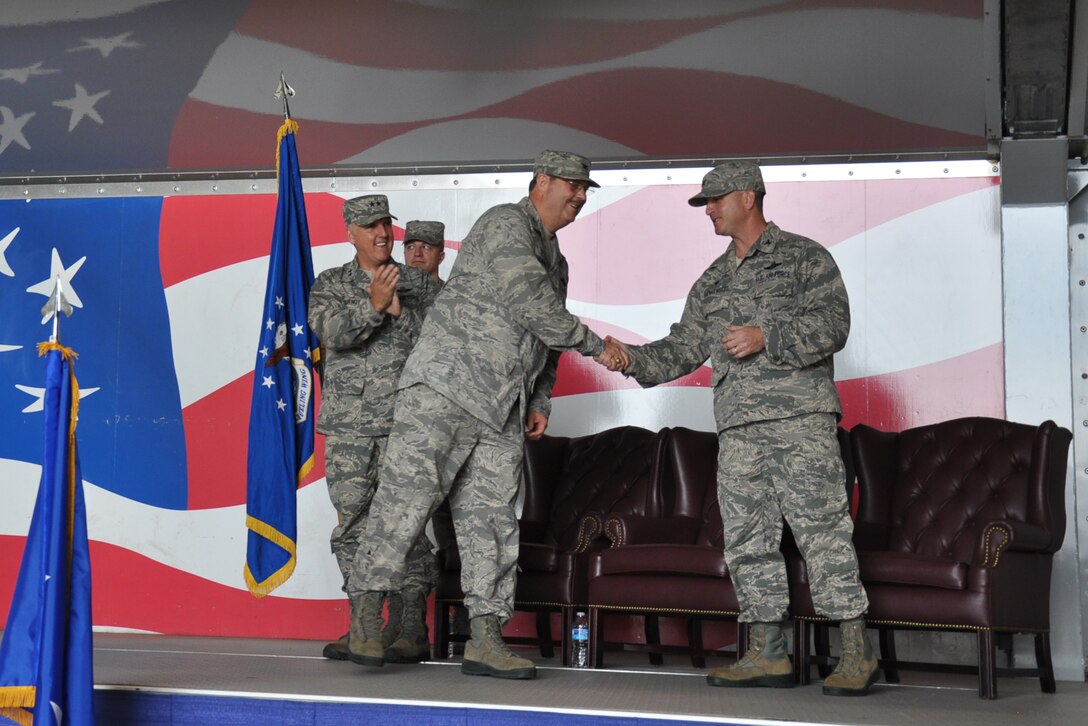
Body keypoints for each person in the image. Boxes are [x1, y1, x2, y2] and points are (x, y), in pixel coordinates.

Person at [346, 150, 628, 680]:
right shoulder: (504, 223)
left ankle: (486, 637)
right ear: (541, 181)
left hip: (502, 406)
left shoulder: (558, 260)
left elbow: (546, 339)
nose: (580, 196)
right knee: (404, 502)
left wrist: (540, 400)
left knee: (494, 522)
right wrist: (599, 345)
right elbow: (534, 306)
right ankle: (366, 615)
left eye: (586, 189)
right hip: (446, 390)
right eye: (572, 185)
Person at [604, 161, 877, 696]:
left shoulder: (804, 256)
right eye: (705, 201)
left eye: (715, 199)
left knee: (822, 533)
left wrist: (765, 336)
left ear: (749, 197)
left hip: (799, 422)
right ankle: (767, 654)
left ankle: (855, 653)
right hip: (738, 431)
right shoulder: (712, 281)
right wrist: (629, 358)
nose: (707, 209)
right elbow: (682, 346)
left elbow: (833, 325)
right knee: (749, 543)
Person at [308, 195, 440, 667]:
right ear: (350, 233)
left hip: (409, 426)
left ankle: (408, 628)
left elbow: (444, 344)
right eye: (370, 225)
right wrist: (374, 306)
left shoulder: (421, 285)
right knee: (353, 527)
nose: (382, 233)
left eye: (386, 223)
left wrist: (399, 312)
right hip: (350, 429)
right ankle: (363, 623)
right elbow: (333, 333)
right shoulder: (330, 283)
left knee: (408, 530)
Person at [400, 219, 470, 652]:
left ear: (442, 254)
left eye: (428, 246)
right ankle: (404, 626)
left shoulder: (456, 301)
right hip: (401, 427)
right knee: (402, 528)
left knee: (456, 529)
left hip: (448, 427)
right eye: (411, 245)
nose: (418, 252)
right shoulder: (389, 298)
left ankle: (462, 627)